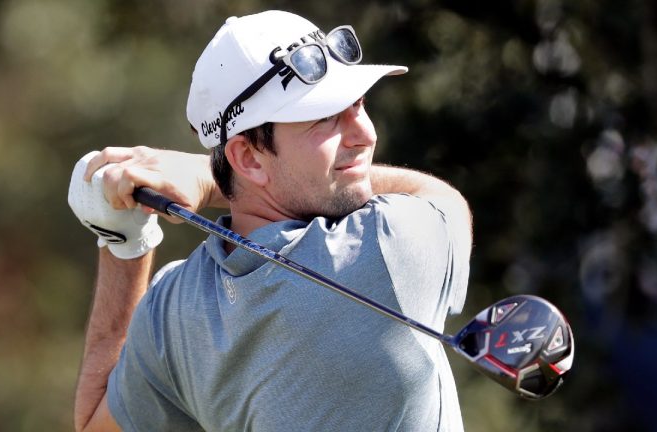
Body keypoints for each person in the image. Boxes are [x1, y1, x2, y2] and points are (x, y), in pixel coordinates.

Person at [68, 10, 472, 432]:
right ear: (246, 157)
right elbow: (443, 198)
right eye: (328, 118)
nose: (365, 133)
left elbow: (94, 422)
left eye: (358, 105)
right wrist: (204, 178)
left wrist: (122, 241)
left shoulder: (173, 309)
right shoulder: (386, 247)